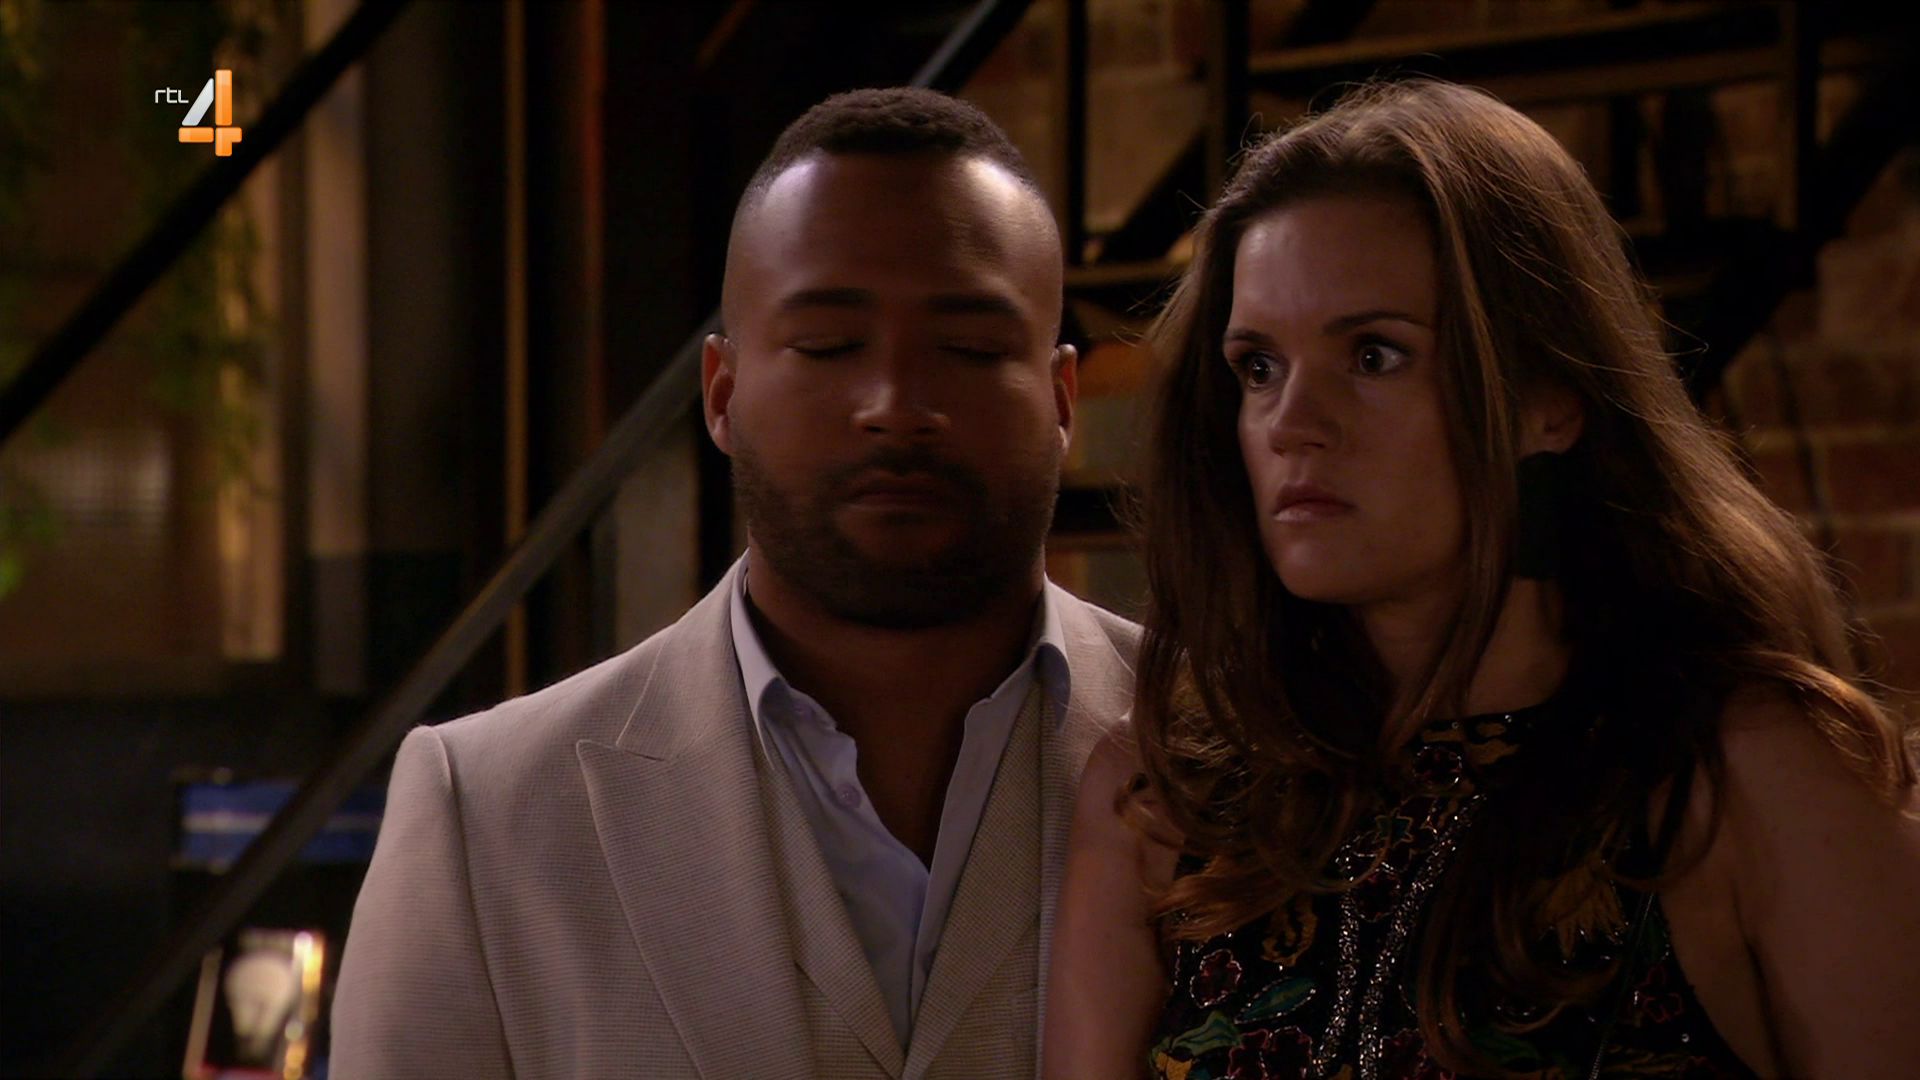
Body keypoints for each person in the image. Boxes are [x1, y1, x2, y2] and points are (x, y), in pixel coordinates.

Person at [1045, 79, 1920, 1079]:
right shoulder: (1167, 795)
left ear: (1550, 397)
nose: (1293, 423)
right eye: (1258, 367)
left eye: (1374, 355)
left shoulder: (1746, 774)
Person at [332, 87, 1141, 1080]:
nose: (895, 406)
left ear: (1062, 400)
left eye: (971, 350)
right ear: (722, 392)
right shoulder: (490, 812)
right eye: (829, 345)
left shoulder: (1240, 754)